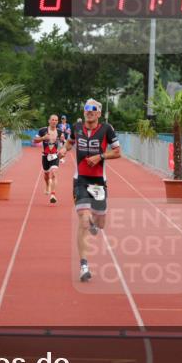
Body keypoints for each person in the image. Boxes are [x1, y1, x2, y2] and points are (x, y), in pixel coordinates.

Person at [59, 99, 122, 282]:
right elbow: (70, 143)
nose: (89, 111)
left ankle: (95, 223)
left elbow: (118, 152)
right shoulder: (77, 127)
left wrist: (100, 156)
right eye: (87, 108)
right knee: (83, 219)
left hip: (99, 182)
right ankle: (84, 265)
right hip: (80, 179)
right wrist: (64, 149)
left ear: (99, 113)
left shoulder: (106, 129)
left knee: (100, 222)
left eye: (93, 109)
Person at [32, 114, 63, 204]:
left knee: (54, 173)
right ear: (49, 121)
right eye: (52, 120)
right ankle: (47, 185)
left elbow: (64, 143)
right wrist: (43, 138)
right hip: (45, 156)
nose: (54, 121)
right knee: (46, 176)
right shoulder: (43, 130)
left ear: (57, 122)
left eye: (56, 120)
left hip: (55, 156)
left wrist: (62, 149)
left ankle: (53, 195)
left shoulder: (60, 132)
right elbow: (34, 140)